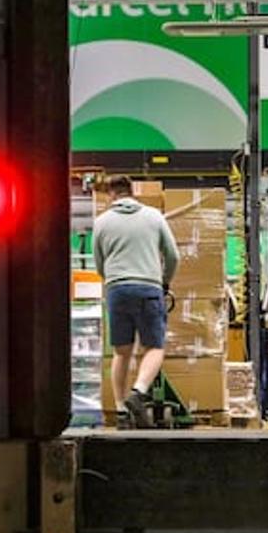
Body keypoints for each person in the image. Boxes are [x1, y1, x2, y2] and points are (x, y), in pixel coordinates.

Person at [93, 175, 179, 428]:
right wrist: (164, 281)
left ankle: (121, 411)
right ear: (132, 192)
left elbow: (100, 263)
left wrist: (114, 279)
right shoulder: (154, 216)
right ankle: (138, 392)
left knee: (122, 352)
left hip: (117, 289)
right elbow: (173, 255)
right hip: (148, 287)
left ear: (111, 194)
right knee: (154, 346)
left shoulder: (101, 222)